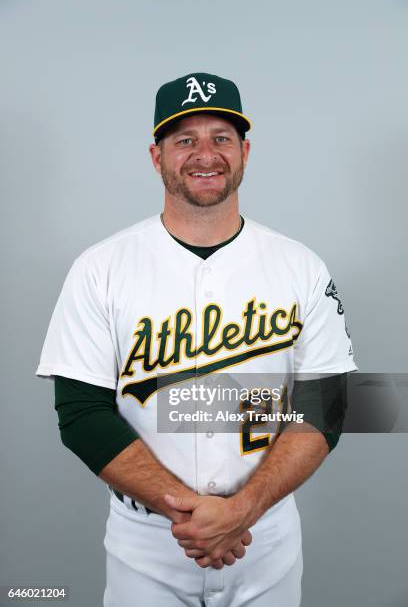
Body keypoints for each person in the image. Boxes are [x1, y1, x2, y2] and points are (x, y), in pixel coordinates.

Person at [37, 72, 357, 606]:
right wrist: (194, 515)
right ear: (156, 156)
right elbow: (80, 412)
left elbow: (326, 404)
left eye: (221, 138)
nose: (204, 154)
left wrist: (242, 511)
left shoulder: (299, 265)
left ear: (245, 152)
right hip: (149, 541)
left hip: (265, 535)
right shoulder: (101, 268)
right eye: (184, 139)